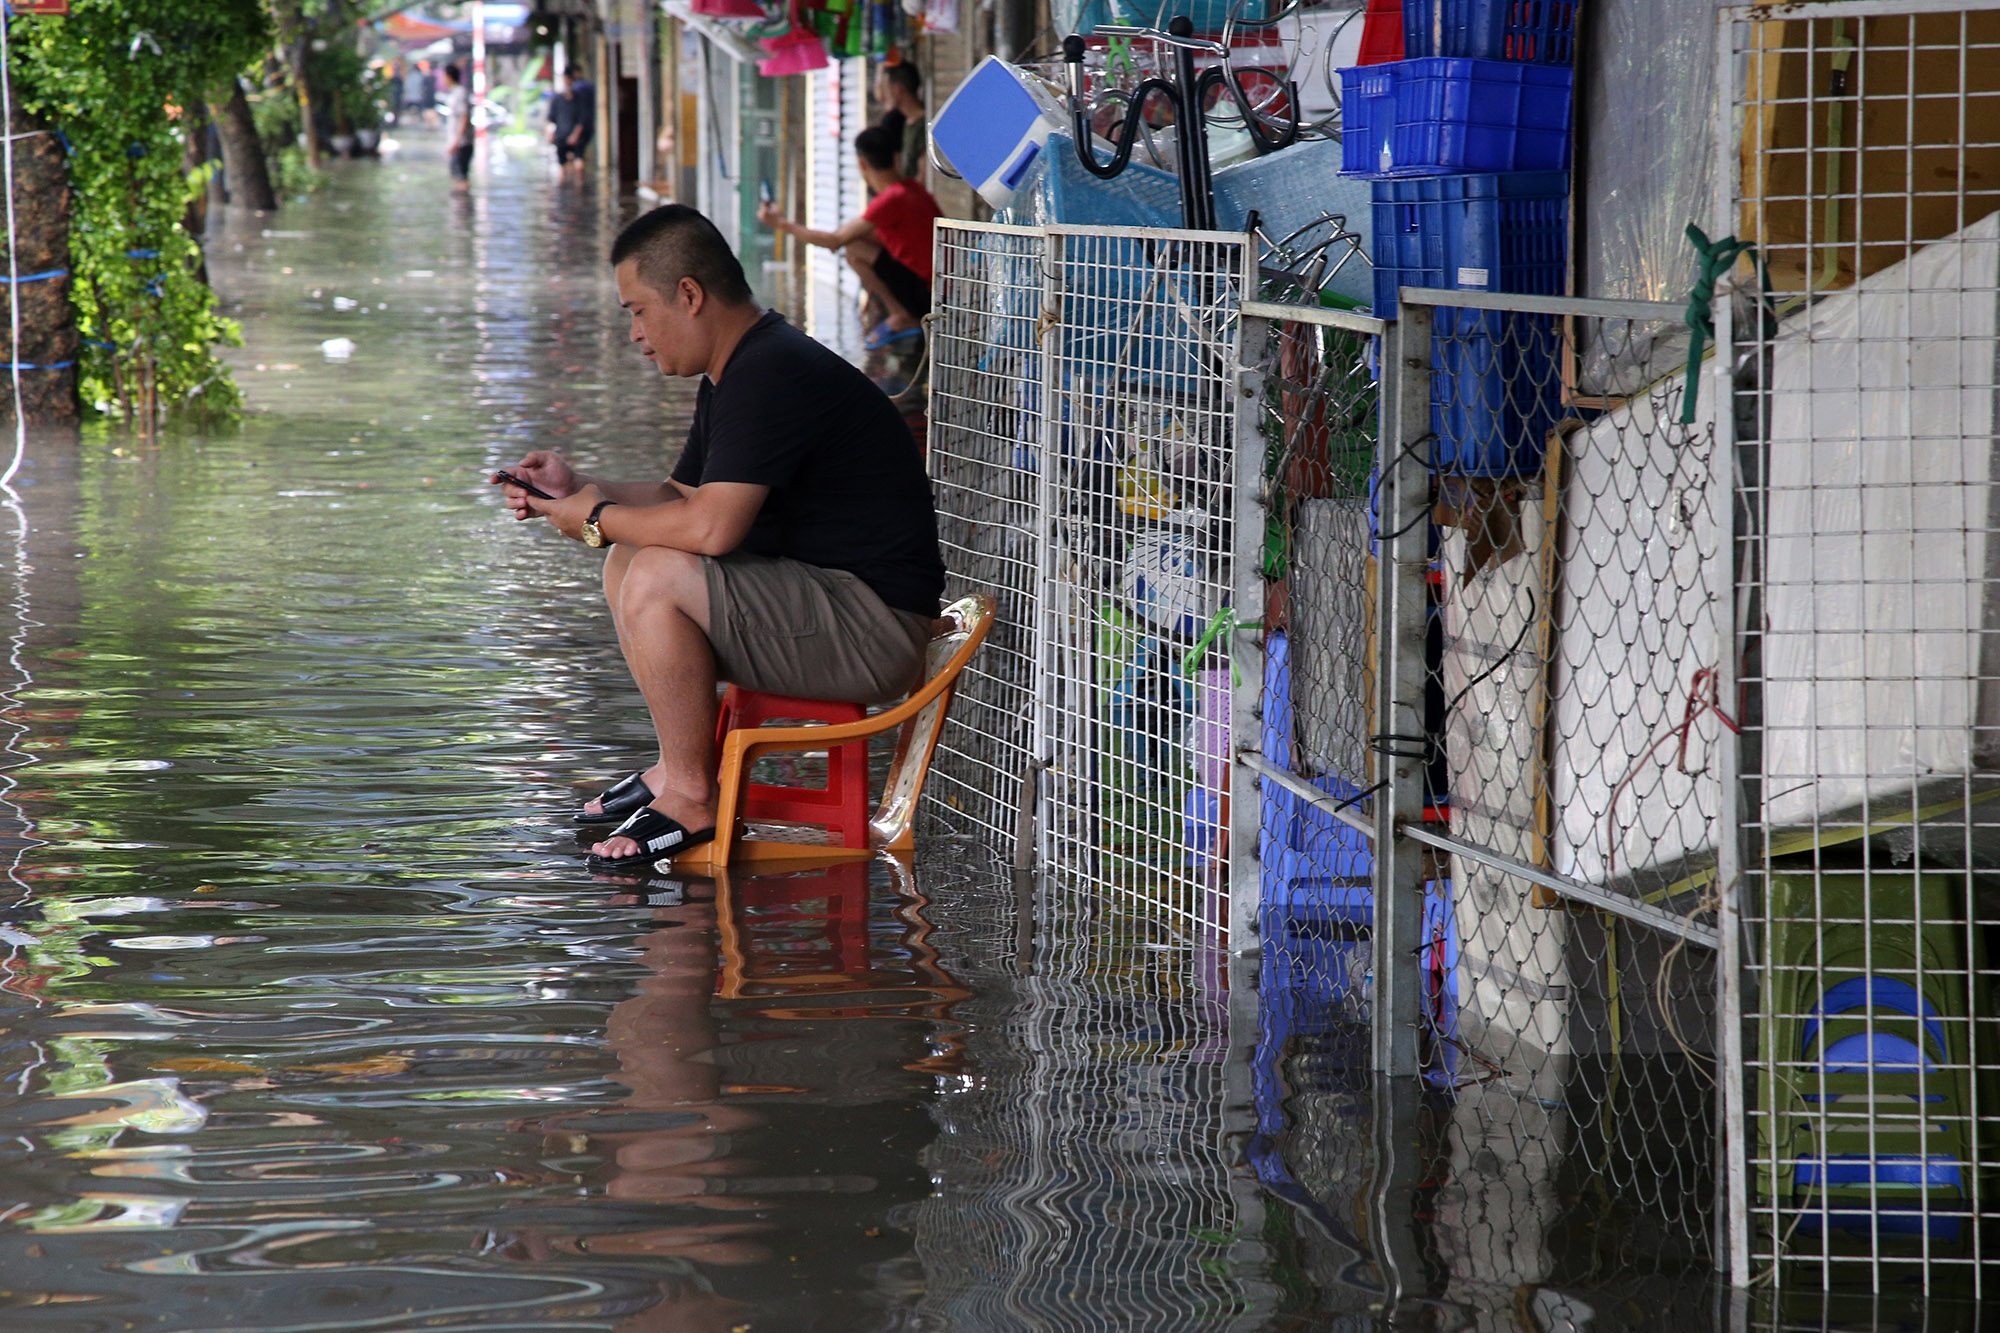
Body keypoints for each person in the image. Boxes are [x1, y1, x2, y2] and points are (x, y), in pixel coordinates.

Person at [496, 205, 945, 869]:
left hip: (875, 628)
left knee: (651, 571)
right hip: (840, 605)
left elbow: (711, 527)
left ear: (689, 294)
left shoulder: (768, 373)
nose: (635, 335)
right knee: (629, 557)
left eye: (638, 311)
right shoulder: (741, 368)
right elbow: (683, 499)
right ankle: (675, 767)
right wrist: (581, 487)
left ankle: (690, 795)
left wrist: (593, 519)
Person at [756, 125, 941, 349]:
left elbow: (835, 240)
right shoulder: (912, 188)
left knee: (854, 249)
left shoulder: (890, 200)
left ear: (862, 164)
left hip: (927, 294)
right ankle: (900, 312)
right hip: (939, 286)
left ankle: (900, 314)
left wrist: (781, 224)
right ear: (896, 157)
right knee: (863, 241)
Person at [874, 58, 927, 182]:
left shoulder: (923, 125)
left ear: (898, 89)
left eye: (887, 87)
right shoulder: (907, 123)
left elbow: (923, 177)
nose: (884, 94)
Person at [562, 64, 596, 179]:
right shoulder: (588, 86)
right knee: (578, 156)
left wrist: (575, 132)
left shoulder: (578, 89)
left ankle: (578, 184)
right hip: (587, 125)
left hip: (580, 127)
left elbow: (580, 112)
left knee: (577, 156)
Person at [443, 63, 473, 192]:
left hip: (462, 142)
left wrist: (456, 141)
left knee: (461, 176)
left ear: (449, 77)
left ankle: (462, 208)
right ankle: (459, 208)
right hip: (458, 141)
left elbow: (464, 117)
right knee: (456, 174)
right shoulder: (454, 93)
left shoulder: (460, 93)